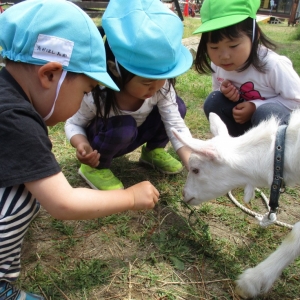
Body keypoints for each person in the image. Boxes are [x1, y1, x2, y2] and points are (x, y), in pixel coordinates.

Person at [0, 0, 159, 298]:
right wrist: (130, 197)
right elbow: (64, 203)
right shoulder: (15, 119)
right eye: (85, 91)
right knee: (21, 196)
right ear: (50, 75)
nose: (84, 100)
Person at [65, 0, 193, 191]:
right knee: (123, 126)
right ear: (115, 71)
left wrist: (192, 162)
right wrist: (82, 144)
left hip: (134, 134)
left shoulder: (161, 88)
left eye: (164, 78)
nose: (157, 87)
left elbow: (175, 124)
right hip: (105, 140)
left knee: (178, 106)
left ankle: (152, 151)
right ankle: (95, 169)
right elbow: (73, 123)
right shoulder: (98, 95)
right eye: (147, 82)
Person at [193, 0, 300, 137]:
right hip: (244, 130)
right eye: (214, 47)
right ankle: (234, 149)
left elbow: (297, 101)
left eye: (233, 46)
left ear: (256, 35)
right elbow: (217, 92)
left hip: (274, 134)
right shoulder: (218, 65)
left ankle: (272, 157)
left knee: (266, 113)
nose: (224, 56)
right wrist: (225, 92)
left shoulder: (273, 65)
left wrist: (255, 106)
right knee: (214, 101)